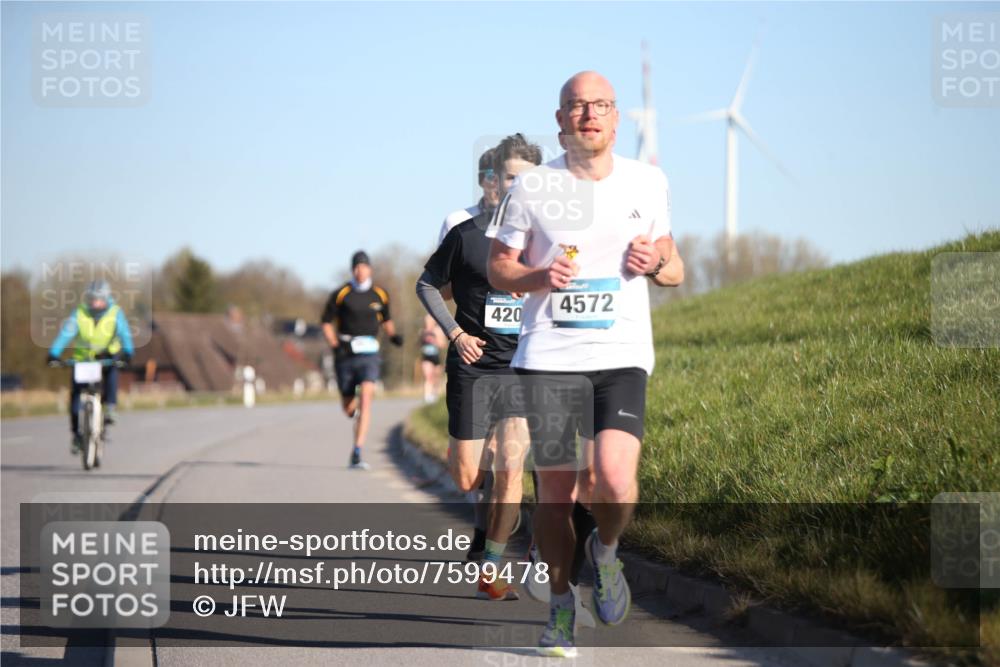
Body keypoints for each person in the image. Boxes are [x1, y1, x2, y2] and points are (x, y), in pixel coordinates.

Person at [487, 71, 685, 658]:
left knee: (613, 478)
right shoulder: (533, 187)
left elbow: (674, 266)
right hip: (549, 356)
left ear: (617, 118)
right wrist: (538, 275)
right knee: (555, 492)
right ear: (560, 119)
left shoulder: (649, 182)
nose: (589, 115)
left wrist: (656, 262)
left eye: (600, 105)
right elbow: (500, 268)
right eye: (576, 106)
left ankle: (605, 553)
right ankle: (560, 608)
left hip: (621, 353)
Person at [417, 133, 543, 601]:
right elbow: (433, 286)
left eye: (527, 181)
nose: (517, 188)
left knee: (512, 463)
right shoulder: (464, 232)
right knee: (470, 476)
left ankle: (491, 563)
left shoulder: (543, 239)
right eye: (510, 177)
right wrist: (453, 331)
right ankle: (491, 505)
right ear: (493, 180)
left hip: (521, 364)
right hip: (471, 365)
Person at [321, 251, 404, 469]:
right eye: (356, 267)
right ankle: (354, 412)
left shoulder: (380, 294)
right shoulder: (341, 294)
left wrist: (394, 336)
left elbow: (386, 320)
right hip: (345, 354)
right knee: (349, 408)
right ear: (352, 270)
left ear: (370, 269)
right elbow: (326, 322)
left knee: (367, 398)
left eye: (364, 266)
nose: (360, 270)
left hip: (369, 353)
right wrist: (335, 345)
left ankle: (357, 451)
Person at [47, 279, 134, 453]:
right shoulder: (79, 313)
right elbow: (66, 333)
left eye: (98, 299)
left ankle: (110, 407)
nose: (95, 302)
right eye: (92, 298)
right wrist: (54, 353)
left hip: (106, 357)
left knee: (111, 372)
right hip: (83, 359)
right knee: (75, 396)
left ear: (106, 298)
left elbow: (125, 334)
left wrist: (128, 352)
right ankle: (76, 435)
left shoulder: (115, 313)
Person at [437, 147, 500, 245]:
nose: (499, 184)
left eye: (507, 177)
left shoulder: (526, 225)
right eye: (492, 176)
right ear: (481, 180)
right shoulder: (456, 222)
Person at [418, 314, 446, 403]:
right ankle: (427, 396)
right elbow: (418, 345)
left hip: (436, 357)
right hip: (426, 357)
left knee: (436, 377)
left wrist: (435, 341)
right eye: (426, 321)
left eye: (430, 321)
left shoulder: (438, 330)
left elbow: (443, 345)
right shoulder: (422, 331)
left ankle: (435, 394)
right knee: (428, 376)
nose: (428, 323)